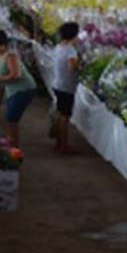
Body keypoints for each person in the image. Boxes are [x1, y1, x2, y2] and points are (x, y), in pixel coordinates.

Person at [0, 30, 38, 148]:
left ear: (1, 44)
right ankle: (11, 145)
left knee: (12, 120)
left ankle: (14, 148)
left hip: (23, 90)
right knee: (10, 119)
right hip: (14, 90)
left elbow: (16, 74)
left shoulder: (11, 55)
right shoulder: (1, 55)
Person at [51, 22, 81, 155]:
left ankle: (58, 142)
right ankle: (64, 145)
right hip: (66, 86)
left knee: (60, 113)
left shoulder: (58, 47)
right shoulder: (70, 50)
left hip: (57, 83)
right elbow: (72, 67)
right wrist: (81, 64)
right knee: (65, 116)